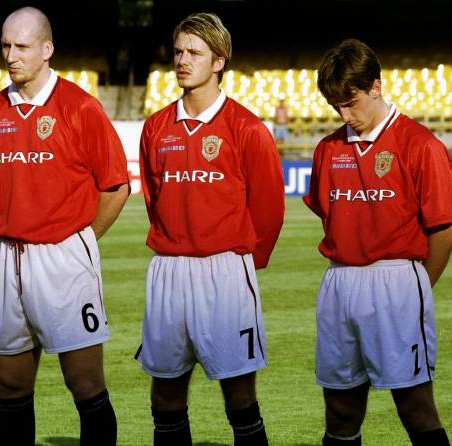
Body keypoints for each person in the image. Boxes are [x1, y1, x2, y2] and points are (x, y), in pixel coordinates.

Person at [0, 6, 129, 446]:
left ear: (47, 48)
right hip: (7, 257)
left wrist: (80, 241)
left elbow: (116, 187)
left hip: (64, 259)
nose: (11, 55)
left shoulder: (80, 106)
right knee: (9, 387)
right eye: (5, 45)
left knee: (84, 383)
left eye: (21, 46)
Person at [137, 12, 285, 446]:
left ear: (219, 61)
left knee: (238, 393)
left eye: (194, 53)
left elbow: (269, 210)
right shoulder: (156, 127)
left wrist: (241, 263)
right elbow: (153, 197)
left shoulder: (248, 128)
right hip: (168, 271)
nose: (182, 60)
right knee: (165, 393)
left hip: (225, 272)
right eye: (179, 51)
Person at [303, 39, 452, 446]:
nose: (343, 114)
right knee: (340, 410)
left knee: (415, 406)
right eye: (335, 105)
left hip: (397, 282)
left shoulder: (421, 145)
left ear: (376, 86)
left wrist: (417, 287)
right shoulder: (327, 149)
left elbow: (443, 231)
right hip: (339, 285)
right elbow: (326, 210)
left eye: (350, 102)